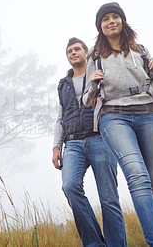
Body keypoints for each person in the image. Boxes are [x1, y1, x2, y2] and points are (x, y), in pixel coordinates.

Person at [83, 2, 153, 246]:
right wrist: (92, 83)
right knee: (137, 177)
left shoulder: (140, 50)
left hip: (148, 112)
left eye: (115, 17)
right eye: (106, 19)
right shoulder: (95, 56)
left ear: (123, 21)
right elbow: (86, 99)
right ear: (100, 27)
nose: (111, 21)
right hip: (113, 116)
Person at [52, 37, 127, 246]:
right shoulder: (63, 85)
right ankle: (94, 243)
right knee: (70, 187)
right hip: (73, 143)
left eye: (77, 49)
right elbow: (60, 118)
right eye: (69, 51)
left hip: (100, 139)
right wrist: (56, 146)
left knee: (109, 198)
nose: (73, 53)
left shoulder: (99, 74)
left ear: (86, 52)